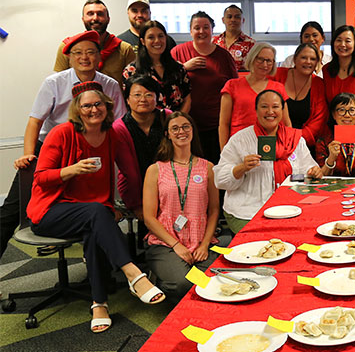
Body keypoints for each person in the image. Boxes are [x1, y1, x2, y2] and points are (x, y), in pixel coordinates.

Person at [28, 82, 165, 333]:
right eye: (87, 105)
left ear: (107, 106)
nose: (93, 109)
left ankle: (99, 303)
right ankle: (133, 274)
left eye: (98, 104)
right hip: (50, 210)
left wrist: (136, 206)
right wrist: (72, 170)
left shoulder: (112, 134)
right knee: (97, 214)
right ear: (77, 110)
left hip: (93, 212)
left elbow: (131, 173)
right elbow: (40, 178)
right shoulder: (61, 133)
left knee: (96, 223)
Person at [0, 31, 125, 259]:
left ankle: (99, 277)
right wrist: (29, 155)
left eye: (90, 52)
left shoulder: (110, 85)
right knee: (10, 212)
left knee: (92, 209)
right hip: (51, 152)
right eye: (78, 53)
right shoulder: (54, 83)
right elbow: (35, 120)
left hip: (91, 148)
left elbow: (118, 125)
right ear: (69, 58)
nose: (84, 57)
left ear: (99, 56)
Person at [214, 90, 321, 233]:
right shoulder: (240, 140)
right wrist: (242, 168)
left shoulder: (295, 139)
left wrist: (314, 171)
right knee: (261, 244)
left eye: (275, 107)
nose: (270, 111)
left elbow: (308, 170)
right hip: (248, 211)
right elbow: (220, 180)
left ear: (283, 110)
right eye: (264, 107)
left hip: (290, 208)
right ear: (256, 110)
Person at [142, 112, 221, 298]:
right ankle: (169, 278)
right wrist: (176, 245)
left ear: (192, 130)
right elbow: (149, 217)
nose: (181, 132)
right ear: (167, 134)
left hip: (201, 241)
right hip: (166, 242)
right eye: (175, 128)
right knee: (183, 283)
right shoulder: (156, 169)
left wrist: (205, 244)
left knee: (215, 279)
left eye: (186, 126)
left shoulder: (207, 167)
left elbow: (214, 209)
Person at [171, 11, 238, 164]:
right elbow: (166, 81)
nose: (201, 32)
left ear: (212, 30)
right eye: (197, 28)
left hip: (217, 125)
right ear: (190, 31)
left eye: (206, 27)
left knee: (215, 168)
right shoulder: (178, 52)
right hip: (186, 125)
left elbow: (234, 89)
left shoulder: (224, 56)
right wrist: (184, 67)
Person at [113, 75, 168, 217]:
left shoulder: (167, 118)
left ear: (157, 98)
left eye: (149, 95)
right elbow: (130, 173)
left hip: (169, 185)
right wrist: (138, 205)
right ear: (127, 99)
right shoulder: (120, 128)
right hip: (135, 189)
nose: (143, 99)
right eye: (137, 95)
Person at [220, 42, 289, 149]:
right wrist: (224, 153)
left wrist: (287, 148)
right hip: (239, 144)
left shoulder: (278, 88)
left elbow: (286, 123)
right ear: (252, 58)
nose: (264, 64)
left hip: (270, 146)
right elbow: (224, 124)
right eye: (260, 59)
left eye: (269, 61)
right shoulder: (232, 85)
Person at [53, 0, 135, 86]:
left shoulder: (124, 49)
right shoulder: (68, 47)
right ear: (83, 19)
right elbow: (59, 83)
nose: (95, 18)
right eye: (90, 14)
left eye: (100, 14)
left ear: (108, 19)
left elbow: (132, 85)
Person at [123, 21, 191, 112]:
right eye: (151, 37)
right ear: (143, 41)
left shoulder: (178, 68)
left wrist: (176, 122)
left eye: (160, 36)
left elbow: (187, 99)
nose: (157, 41)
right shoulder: (132, 71)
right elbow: (129, 103)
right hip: (145, 123)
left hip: (175, 123)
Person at [273, 43, 327, 148]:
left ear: (317, 63)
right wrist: (282, 138)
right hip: (275, 140)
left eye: (312, 59)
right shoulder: (277, 75)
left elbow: (318, 120)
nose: (308, 62)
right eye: (303, 57)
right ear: (294, 59)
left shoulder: (319, 84)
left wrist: (296, 140)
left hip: (304, 145)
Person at [323, 25, 355, 131]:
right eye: (338, 40)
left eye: (348, 41)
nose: (342, 45)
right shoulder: (326, 70)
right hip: (331, 128)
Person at [316, 93, 355, 177]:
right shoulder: (324, 142)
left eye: (352, 110)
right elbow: (320, 177)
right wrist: (331, 159)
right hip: (333, 188)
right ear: (334, 114)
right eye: (341, 110)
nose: (347, 115)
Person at [213, 4, 255, 70]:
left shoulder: (251, 44)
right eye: (229, 17)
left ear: (243, 20)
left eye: (237, 17)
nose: (233, 20)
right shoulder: (213, 42)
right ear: (223, 20)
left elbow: (254, 69)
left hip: (240, 79)